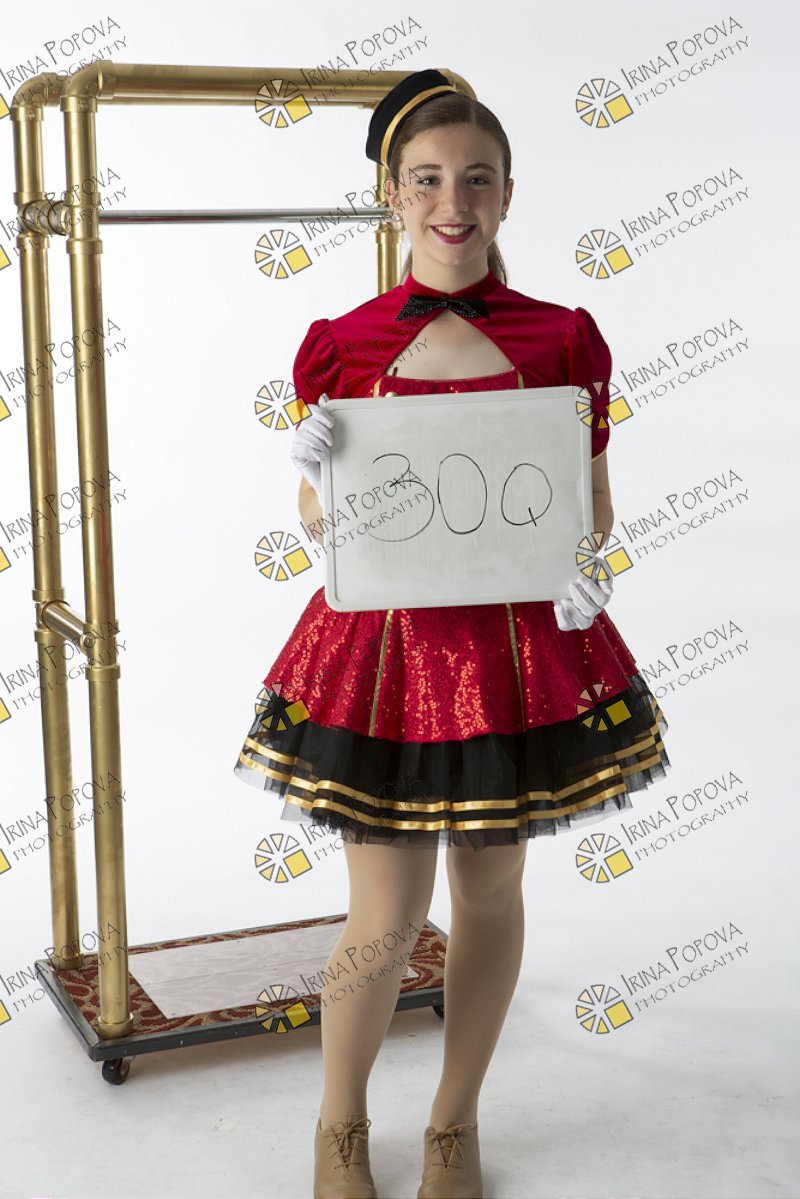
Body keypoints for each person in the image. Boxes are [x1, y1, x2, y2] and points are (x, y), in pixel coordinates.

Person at [233, 68, 671, 1199]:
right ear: (391, 195)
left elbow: (590, 502)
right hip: (383, 659)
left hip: (517, 657)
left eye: (476, 179)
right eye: (426, 180)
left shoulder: (562, 336)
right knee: (386, 912)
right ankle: (339, 1122)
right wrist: (315, 479)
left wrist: (582, 567)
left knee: (487, 892)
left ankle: (452, 1119)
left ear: (507, 194)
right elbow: (327, 525)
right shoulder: (340, 341)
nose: (452, 203)